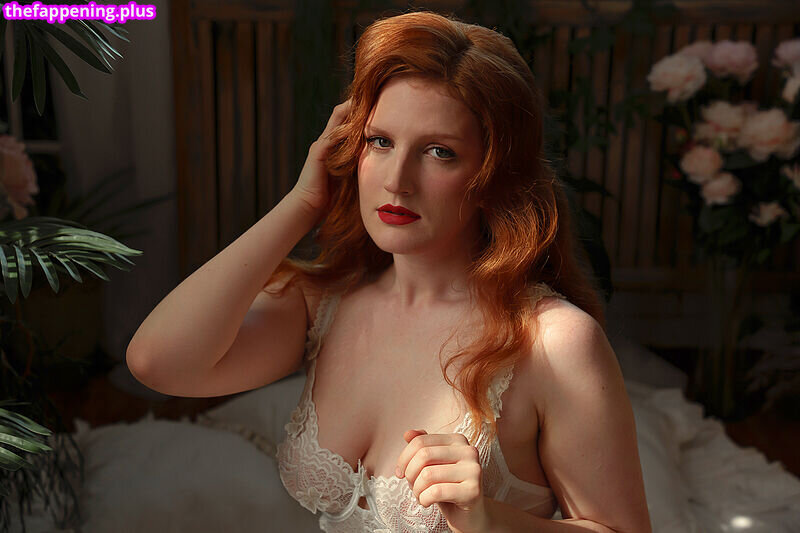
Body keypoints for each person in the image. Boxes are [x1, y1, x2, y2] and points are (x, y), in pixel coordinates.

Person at [127, 9, 651, 533]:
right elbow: (158, 363)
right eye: (380, 141)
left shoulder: (554, 342)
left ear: (494, 175)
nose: (398, 180)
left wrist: (489, 521)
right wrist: (303, 203)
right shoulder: (325, 303)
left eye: (439, 152)